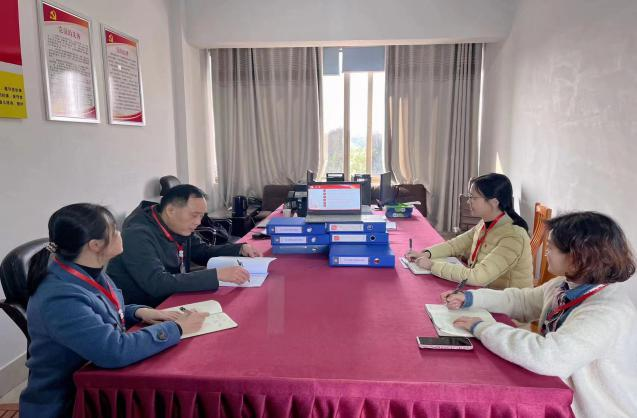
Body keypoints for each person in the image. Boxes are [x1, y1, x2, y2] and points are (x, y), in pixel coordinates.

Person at [19, 204, 208, 418]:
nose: (120, 234)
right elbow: (114, 351)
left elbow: (99, 309)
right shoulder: (60, 296)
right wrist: (176, 328)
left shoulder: (88, 270)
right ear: (95, 245)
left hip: (97, 389)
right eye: (115, 230)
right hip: (70, 404)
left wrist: (138, 312)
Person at [444, 212, 637, 418]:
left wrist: (482, 328)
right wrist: (471, 298)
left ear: (577, 257)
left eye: (551, 247)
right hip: (560, 394)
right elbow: (521, 301)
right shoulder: (564, 285)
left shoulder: (607, 313)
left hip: (591, 410)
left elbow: (548, 357)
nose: (546, 252)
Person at [108, 184, 262, 307]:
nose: (198, 222)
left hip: (175, 297)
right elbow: (157, 283)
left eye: (201, 216)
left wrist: (239, 248)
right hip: (145, 311)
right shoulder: (137, 234)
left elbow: (201, 251)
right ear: (170, 210)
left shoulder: (176, 224)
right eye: (194, 215)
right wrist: (217, 275)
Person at [407, 173, 533, 289]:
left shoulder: (513, 237)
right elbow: (454, 245)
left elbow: (478, 277)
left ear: (494, 202)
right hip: (486, 293)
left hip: (506, 304)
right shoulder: (485, 223)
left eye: (473, 198)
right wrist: (426, 254)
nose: (468, 201)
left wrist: (431, 265)